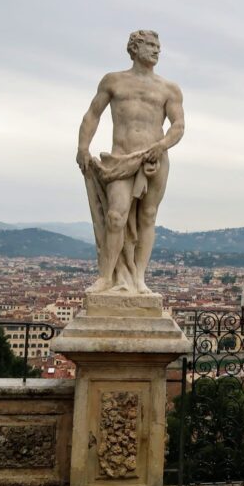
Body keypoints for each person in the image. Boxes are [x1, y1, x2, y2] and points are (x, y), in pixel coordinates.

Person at [76, 30, 185, 294]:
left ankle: (138, 278)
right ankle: (107, 276)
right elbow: (92, 115)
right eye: (150, 44)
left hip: (155, 158)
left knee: (148, 216)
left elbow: (178, 126)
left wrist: (160, 146)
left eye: (159, 45)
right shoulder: (113, 81)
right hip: (121, 158)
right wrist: (83, 147)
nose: (157, 50)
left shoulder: (169, 88)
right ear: (134, 48)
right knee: (116, 216)